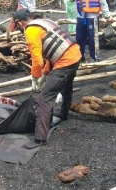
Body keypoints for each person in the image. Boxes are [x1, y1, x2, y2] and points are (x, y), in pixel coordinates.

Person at [12, 9, 82, 149]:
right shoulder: (44, 22)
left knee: (44, 98)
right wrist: (45, 74)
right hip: (75, 54)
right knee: (66, 86)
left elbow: (37, 60)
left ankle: (40, 138)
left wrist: (35, 78)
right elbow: (53, 50)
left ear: (19, 23)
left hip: (65, 61)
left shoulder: (30, 31)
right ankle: (63, 113)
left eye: (16, 25)